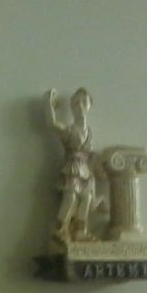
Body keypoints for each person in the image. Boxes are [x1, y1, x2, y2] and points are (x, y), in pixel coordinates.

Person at [47, 87, 98, 244]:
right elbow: (52, 123)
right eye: (76, 103)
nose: (80, 106)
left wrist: (95, 171)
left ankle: (80, 231)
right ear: (72, 106)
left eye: (84, 102)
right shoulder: (70, 129)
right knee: (71, 196)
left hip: (86, 169)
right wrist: (48, 104)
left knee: (87, 198)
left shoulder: (89, 132)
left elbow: (90, 154)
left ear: (89, 106)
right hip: (73, 167)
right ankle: (60, 229)